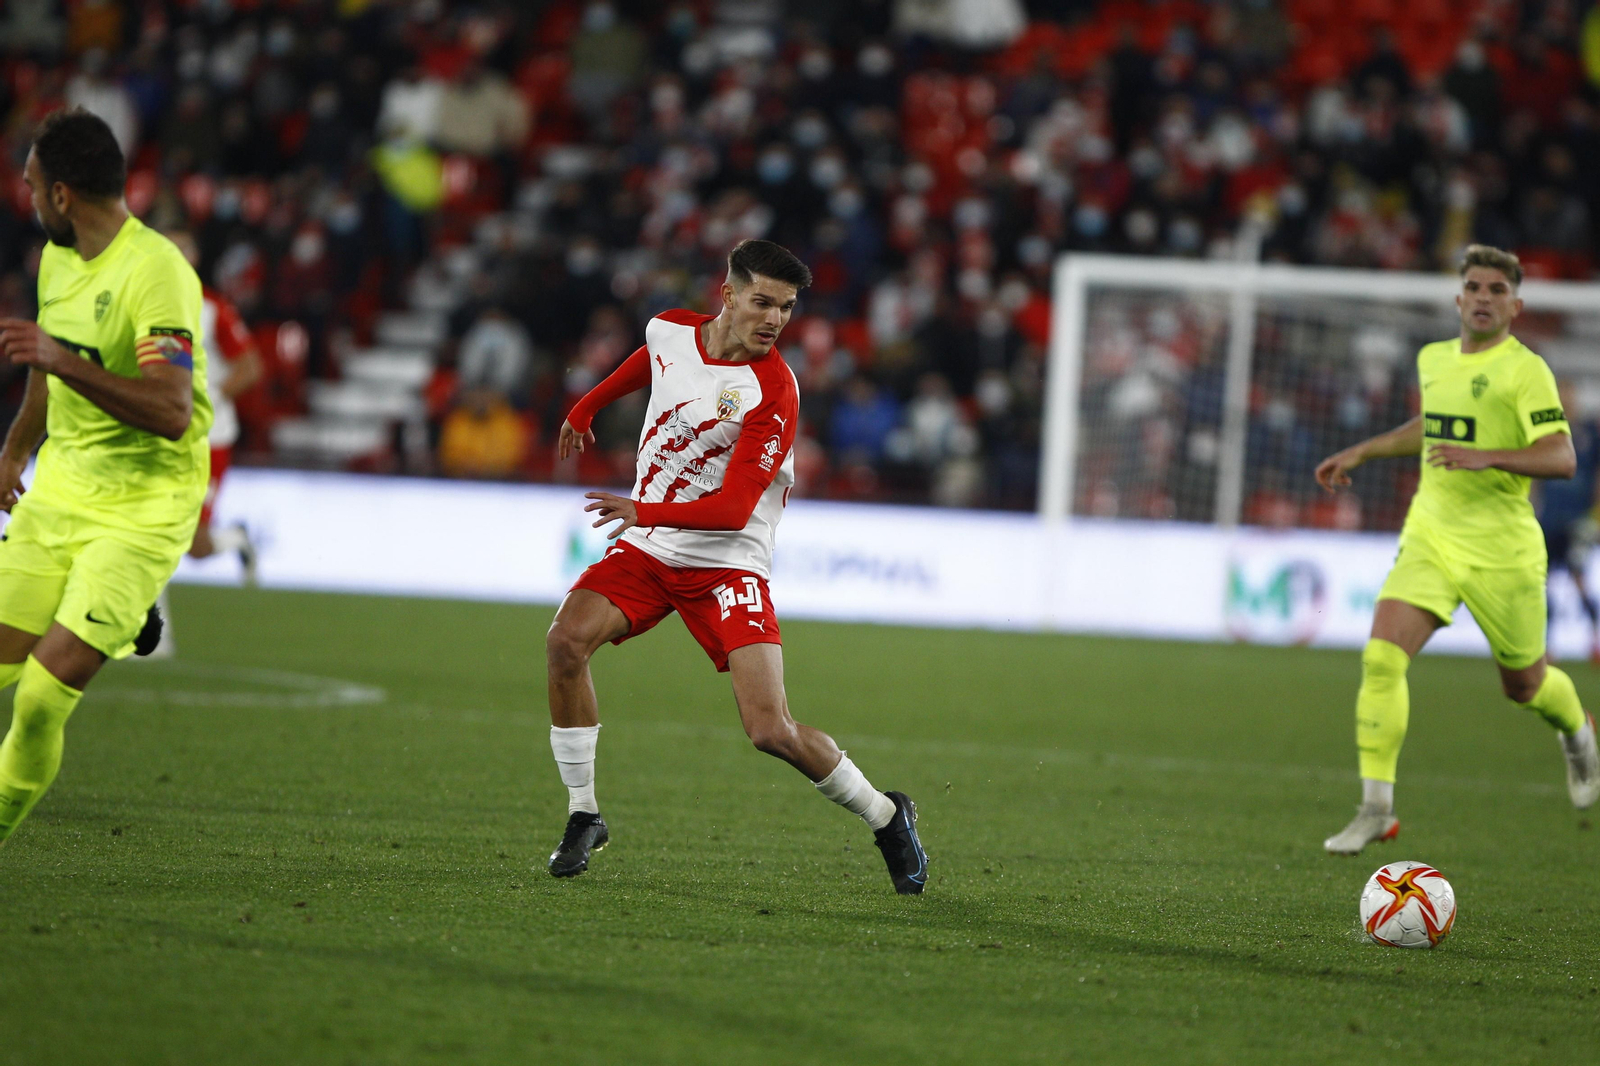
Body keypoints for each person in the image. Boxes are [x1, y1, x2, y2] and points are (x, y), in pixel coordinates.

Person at [544, 239, 929, 894]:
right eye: (763, 302)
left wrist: (646, 509)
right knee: (564, 645)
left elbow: (729, 510)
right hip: (653, 548)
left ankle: (887, 815)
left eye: (785, 308)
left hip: (728, 564)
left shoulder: (773, 391)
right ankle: (585, 815)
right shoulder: (669, 328)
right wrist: (588, 405)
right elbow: (653, 362)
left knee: (768, 729)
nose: (776, 319)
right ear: (727, 296)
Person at [1314, 245, 1599, 856]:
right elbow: (1432, 427)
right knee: (1382, 658)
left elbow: (1562, 455)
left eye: (1498, 290)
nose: (1483, 297)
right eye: (1474, 286)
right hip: (1432, 533)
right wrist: (1364, 449)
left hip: (1503, 549)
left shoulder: (1527, 371)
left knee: (1524, 686)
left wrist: (1490, 456)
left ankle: (1578, 731)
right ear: (1458, 297)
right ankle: (1375, 808)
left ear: (1515, 306)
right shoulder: (1433, 359)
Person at [0, 108, 212, 845]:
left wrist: (65, 363)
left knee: (37, 701)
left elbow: (171, 409)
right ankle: (126, 621)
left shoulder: (156, 274)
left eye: (30, 187)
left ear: (62, 194)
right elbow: (44, 365)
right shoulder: (55, 260)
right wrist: (15, 451)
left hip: (144, 506)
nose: (24, 200)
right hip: (61, 489)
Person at [1537, 380, 1600, 663]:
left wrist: (1594, 514)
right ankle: (1547, 647)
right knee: (1543, 583)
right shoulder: (1545, 432)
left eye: (1568, 396)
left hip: (1577, 521)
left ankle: (1595, 640)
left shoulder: (1589, 433)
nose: (1565, 401)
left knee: (1578, 581)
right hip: (1549, 518)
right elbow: (1536, 475)